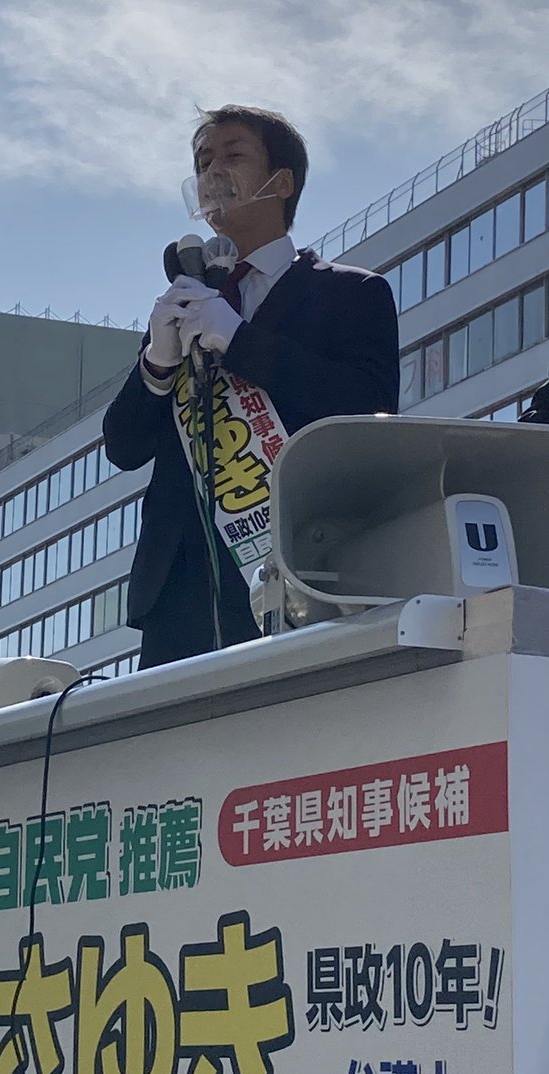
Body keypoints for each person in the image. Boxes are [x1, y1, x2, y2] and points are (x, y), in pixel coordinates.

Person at [103, 105, 400, 669]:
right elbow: (123, 446)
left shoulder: (351, 293)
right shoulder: (187, 300)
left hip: (301, 571)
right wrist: (156, 364)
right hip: (179, 592)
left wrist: (241, 341)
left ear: (282, 181)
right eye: (202, 161)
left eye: (233, 154)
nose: (213, 172)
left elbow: (368, 408)